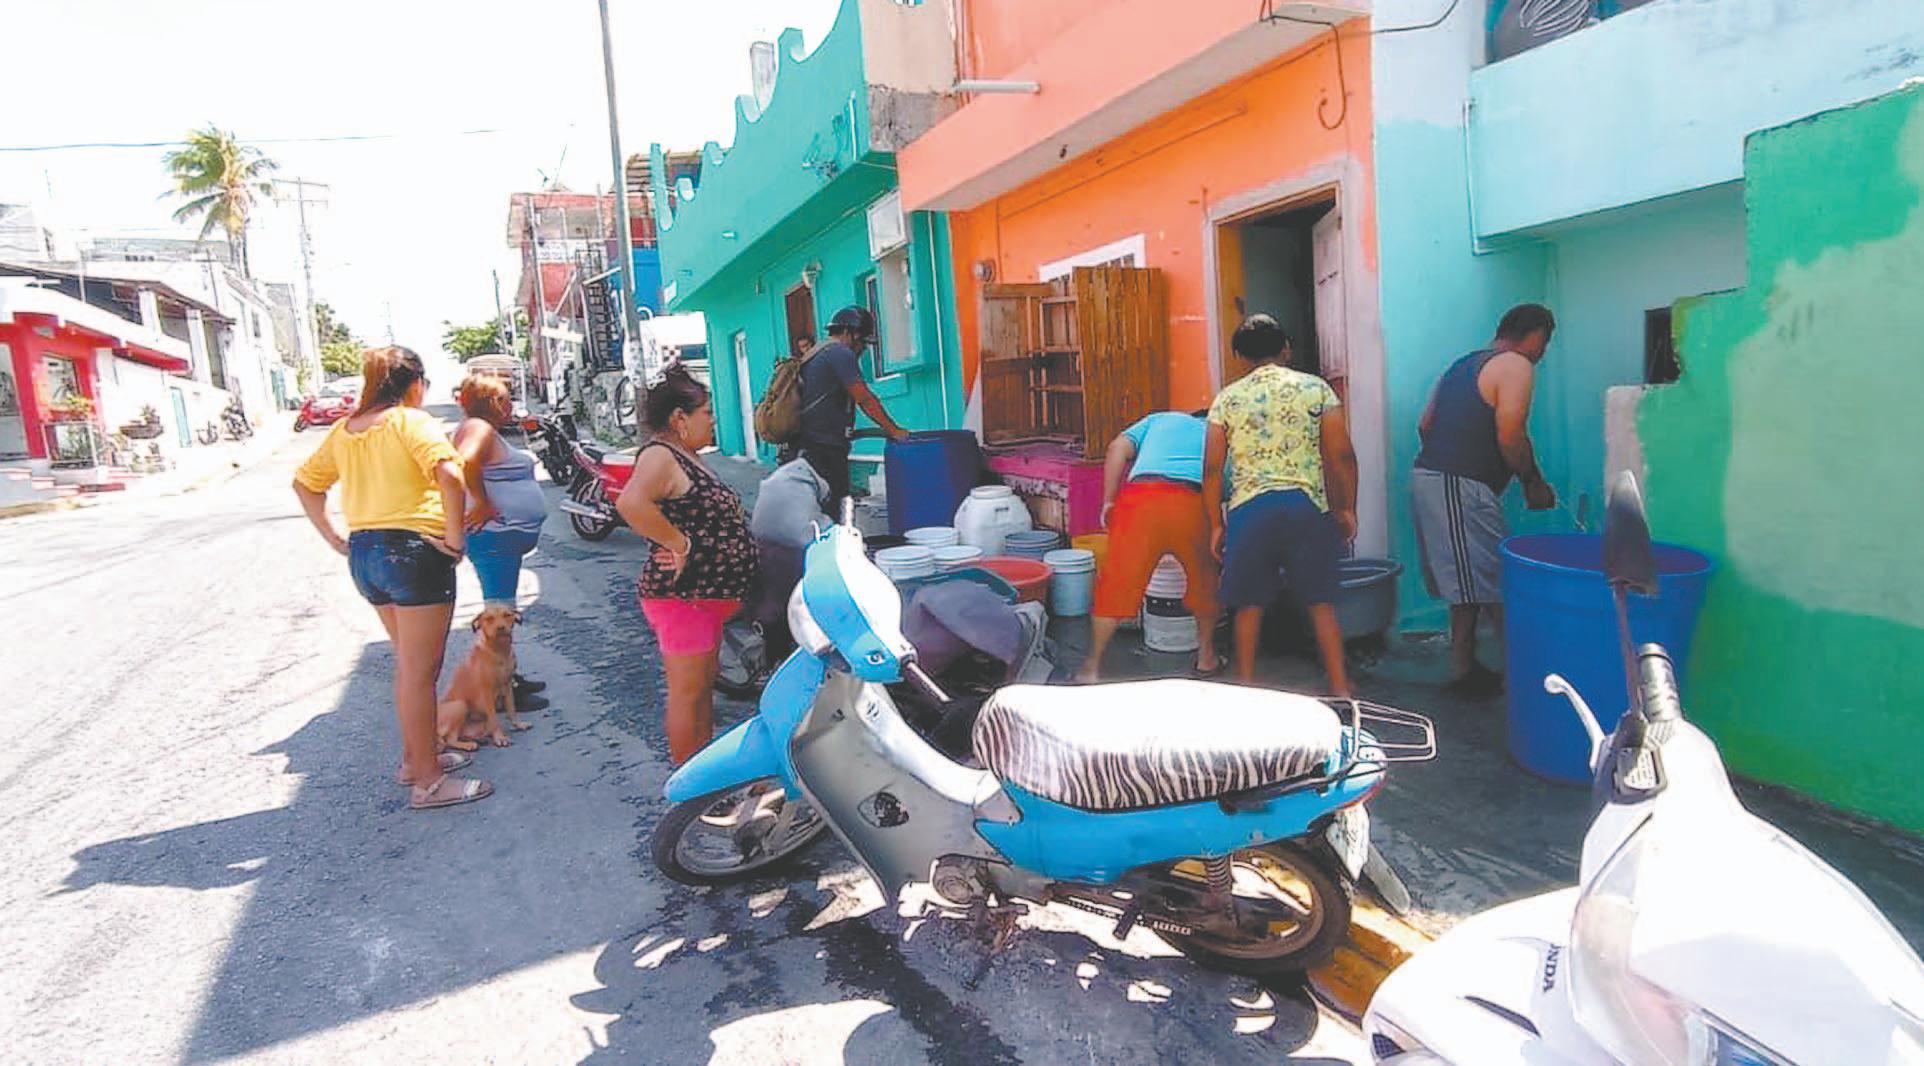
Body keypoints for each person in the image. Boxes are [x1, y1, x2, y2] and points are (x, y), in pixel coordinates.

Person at [292, 346, 492, 810]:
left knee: (410, 666)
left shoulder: (347, 430)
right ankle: (428, 782)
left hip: (366, 553)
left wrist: (334, 537)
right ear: (415, 383)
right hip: (413, 553)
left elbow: (305, 484)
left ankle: (416, 759)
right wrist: (455, 537)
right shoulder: (409, 421)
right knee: (419, 673)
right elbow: (450, 474)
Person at [1203, 314, 1360, 695]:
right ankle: (1340, 686)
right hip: (1305, 506)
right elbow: (1341, 455)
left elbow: (1211, 469)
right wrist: (1346, 508)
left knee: (1249, 604)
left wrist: (1216, 524)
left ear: (1241, 357)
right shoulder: (1316, 389)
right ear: (1286, 348)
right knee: (1320, 602)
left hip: (1249, 509)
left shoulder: (1227, 400)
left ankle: (1246, 686)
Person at [1412, 303, 1558, 696]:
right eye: (1545, 342)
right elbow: (1510, 435)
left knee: (1468, 582)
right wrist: (1532, 483)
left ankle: (1464, 667)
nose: (1543, 353)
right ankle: (1524, 675)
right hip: (1456, 484)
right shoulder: (1516, 365)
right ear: (1536, 334)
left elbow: (1425, 425)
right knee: (1496, 583)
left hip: (1438, 480)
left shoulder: (1463, 364)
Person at [615, 364, 758, 765]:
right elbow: (630, 502)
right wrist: (680, 545)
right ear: (680, 418)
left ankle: (705, 776)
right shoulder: (661, 456)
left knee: (701, 694)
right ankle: (687, 785)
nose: (713, 421)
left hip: (703, 598)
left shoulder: (684, 456)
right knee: (688, 695)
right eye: (707, 413)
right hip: (683, 598)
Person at [1077, 410, 1222, 682]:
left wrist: (1109, 501)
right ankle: (1206, 659)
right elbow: (1221, 482)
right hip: (1190, 500)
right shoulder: (1216, 431)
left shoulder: (1158, 420)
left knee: (1115, 584)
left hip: (1138, 499)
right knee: (1205, 580)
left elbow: (1117, 448)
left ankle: (1091, 666)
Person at [452, 374, 550, 710]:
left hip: (501, 539)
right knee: (497, 618)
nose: (510, 404)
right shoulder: (478, 428)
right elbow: (465, 460)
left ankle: (509, 677)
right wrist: (481, 502)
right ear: (494, 402)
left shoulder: (482, 429)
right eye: (506, 398)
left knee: (501, 612)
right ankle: (496, 689)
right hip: (494, 538)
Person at [786, 305, 908, 511]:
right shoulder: (840, 353)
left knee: (816, 509)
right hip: (822, 450)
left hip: (806, 447)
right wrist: (894, 430)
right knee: (834, 510)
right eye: (862, 342)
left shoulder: (819, 353)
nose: (863, 349)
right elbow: (865, 399)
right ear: (848, 333)